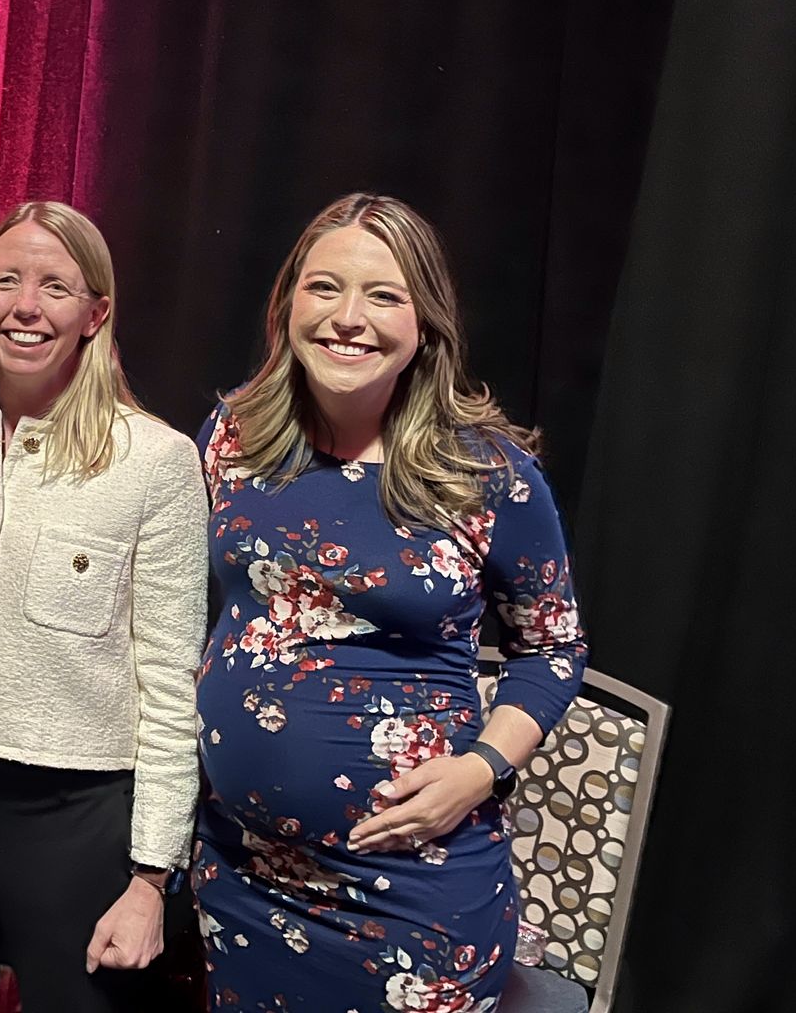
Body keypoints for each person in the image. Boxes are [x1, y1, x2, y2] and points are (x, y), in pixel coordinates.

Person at [193, 193, 590, 1010]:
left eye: (384, 295)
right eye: (324, 287)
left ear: (425, 323)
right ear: (287, 303)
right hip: (241, 881)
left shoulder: (487, 476)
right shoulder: (231, 439)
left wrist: (482, 770)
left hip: (412, 894)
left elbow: (552, 650)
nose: (348, 318)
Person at [0, 200, 208, 1012]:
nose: (25, 307)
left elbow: (171, 685)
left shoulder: (156, 463)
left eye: (55, 287)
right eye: (7, 282)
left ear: (97, 312)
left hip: (73, 822)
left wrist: (149, 880)